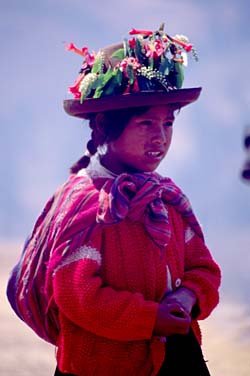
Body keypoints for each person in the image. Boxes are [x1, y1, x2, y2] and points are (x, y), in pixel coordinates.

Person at [7, 25, 221, 376]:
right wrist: (151, 318)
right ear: (106, 127)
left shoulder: (167, 198)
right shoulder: (87, 202)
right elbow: (77, 294)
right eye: (146, 123)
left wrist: (187, 298)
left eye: (168, 123)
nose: (161, 136)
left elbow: (204, 268)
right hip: (101, 365)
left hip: (177, 359)